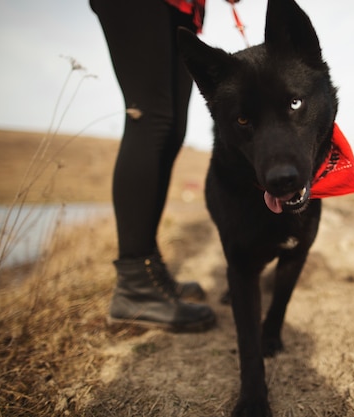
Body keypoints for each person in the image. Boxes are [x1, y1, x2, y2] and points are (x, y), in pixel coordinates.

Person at [90, 0, 235, 332]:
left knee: (171, 129)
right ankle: (133, 284)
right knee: (150, 118)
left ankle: (148, 269)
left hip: (182, 6)